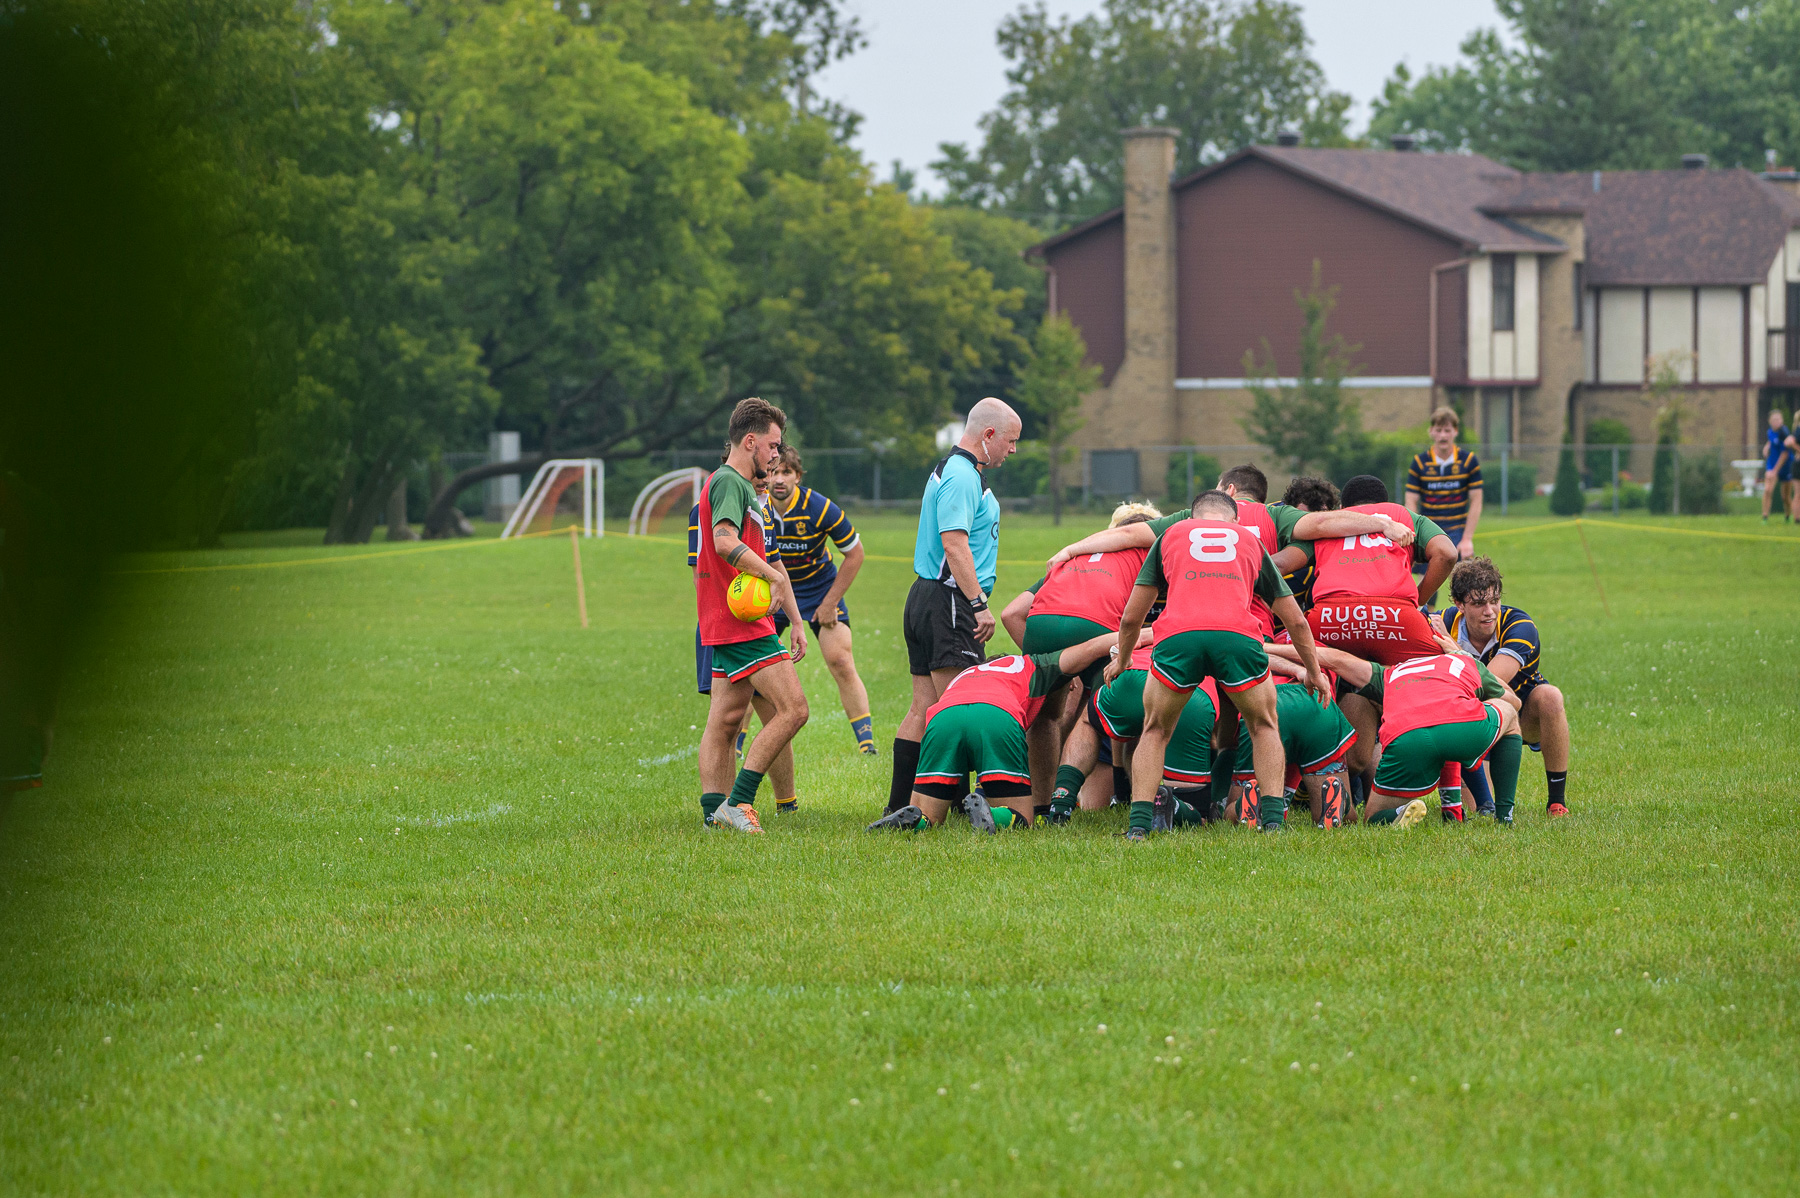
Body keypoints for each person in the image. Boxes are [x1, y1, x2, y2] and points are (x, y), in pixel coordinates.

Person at [1108, 490, 1328, 836]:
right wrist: (1314, 673)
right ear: (1235, 520)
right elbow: (1296, 621)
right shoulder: (1249, 540)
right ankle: (1272, 822)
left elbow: (1131, 619)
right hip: (1237, 635)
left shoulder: (1170, 535)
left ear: (1192, 518)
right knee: (1264, 725)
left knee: (1155, 729)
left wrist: (1121, 661)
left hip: (1180, 635)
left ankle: (1138, 826)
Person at [883, 398, 1020, 817]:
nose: (1013, 450)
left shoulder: (958, 470)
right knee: (961, 708)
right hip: (949, 602)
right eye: (1010, 441)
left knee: (924, 708)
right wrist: (979, 604)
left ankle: (901, 805)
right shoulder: (962, 475)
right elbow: (954, 543)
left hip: (927, 597)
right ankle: (957, 804)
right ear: (988, 435)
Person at [999, 501, 1161, 818]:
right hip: (1098, 626)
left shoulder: (1079, 554)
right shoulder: (1149, 551)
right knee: (1110, 712)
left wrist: (1059, 662)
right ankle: (1129, 800)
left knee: (1045, 717)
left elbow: (1011, 613)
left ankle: (1043, 805)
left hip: (1043, 622)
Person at [693, 398, 810, 833]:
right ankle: (738, 804)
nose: (777, 455)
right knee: (794, 710)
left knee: (725, 720)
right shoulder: (731, 483)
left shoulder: (737, 487)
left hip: (727, 620)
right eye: (773, 446)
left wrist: (796, 620)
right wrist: (772, 579)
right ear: (750, 441)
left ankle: (713, 817)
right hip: (741, 622)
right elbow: (723, 541)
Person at [866, 633, 1117, 833]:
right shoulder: (1032, 665)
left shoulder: (968, 673)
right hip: (996, 714)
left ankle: (915, 819)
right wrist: (1147, 633)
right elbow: (1090, 648)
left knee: (930, 816)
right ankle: (992, 813)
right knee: (1021, 818)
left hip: (943, 716)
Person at [1330, 640, 1525, 828]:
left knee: (1373, 817)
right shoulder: (1461, 661)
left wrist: (1299, 653)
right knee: (1510, 717)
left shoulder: (1389, 672)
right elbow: (1513, 701)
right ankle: (1504, 817)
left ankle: (1398, 813)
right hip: (1461, 727)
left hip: (1407, 737)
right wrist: (1464, 657)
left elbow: (1338, 659)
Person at [1050, 625, 1218, 831]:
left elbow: (1121, 642)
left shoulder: (1157, 627)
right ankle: (1169, 804)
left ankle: (1062, 798)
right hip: (1191, 695)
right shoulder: (1217, 632)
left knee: (1089, 721)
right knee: (1198, 815)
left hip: (1134, 676)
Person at [766, 445, 877, 755]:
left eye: (786, 472)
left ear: (798, 476)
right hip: (774, 591)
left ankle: (866, 745)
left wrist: (830, 602)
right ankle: (736, 744)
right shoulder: (756, 507)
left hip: (819, 589)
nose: (779, 479)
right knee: (754, 665)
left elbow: (855, 554)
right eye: (773, 471)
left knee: (840, 660)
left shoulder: (820, 507)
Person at [1442, 557, 1572, 818]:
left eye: (1494, 600)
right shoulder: (1445, 623)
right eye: (1479, 603)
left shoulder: (1520, 625)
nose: (1489, 610)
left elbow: (1487, 682)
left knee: (1551, 696)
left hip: (1522, 712)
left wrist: (1453, 651)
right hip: (1472, 717)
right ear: (1459, 604)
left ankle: (1556, 802)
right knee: (1481, 810)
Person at [1227, 654, 1358, 828]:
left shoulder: (1258, 645)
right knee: (1344, 816)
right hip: (1316, 704)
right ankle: (1343, 802)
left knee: (1231, 814)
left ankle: (1245, 801)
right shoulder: (1327, 645)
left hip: (1266, 702)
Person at [1406, 406, 1483, 572]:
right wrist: (1417, 532)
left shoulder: (1468, 460)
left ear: (1455, 432)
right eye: (1438, 430)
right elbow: (1411, 500)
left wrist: (1467, 538)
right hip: (1428, 529)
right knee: (1427, 586)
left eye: (1447, 430)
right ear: (1431, 432)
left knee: (1463, 583)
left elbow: (1476, 500)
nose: (1443, 435)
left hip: (1458, 529)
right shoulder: (1419, 462)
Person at [1762, 408, 1793, 523]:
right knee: (1768, 490)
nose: (1776, 421)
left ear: (1782, 420)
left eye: (1778, 419)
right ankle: (1765, 517)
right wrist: (1767, 446)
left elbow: (1785, 454)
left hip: (1785, 466)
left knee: (1785, 497)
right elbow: (1771, 441)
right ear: (1769, 421)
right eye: (1774, 419)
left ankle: (1788, 516)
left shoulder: (1784, 433)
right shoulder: (1770, 431)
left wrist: (1775, 470)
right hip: (1772, 464)